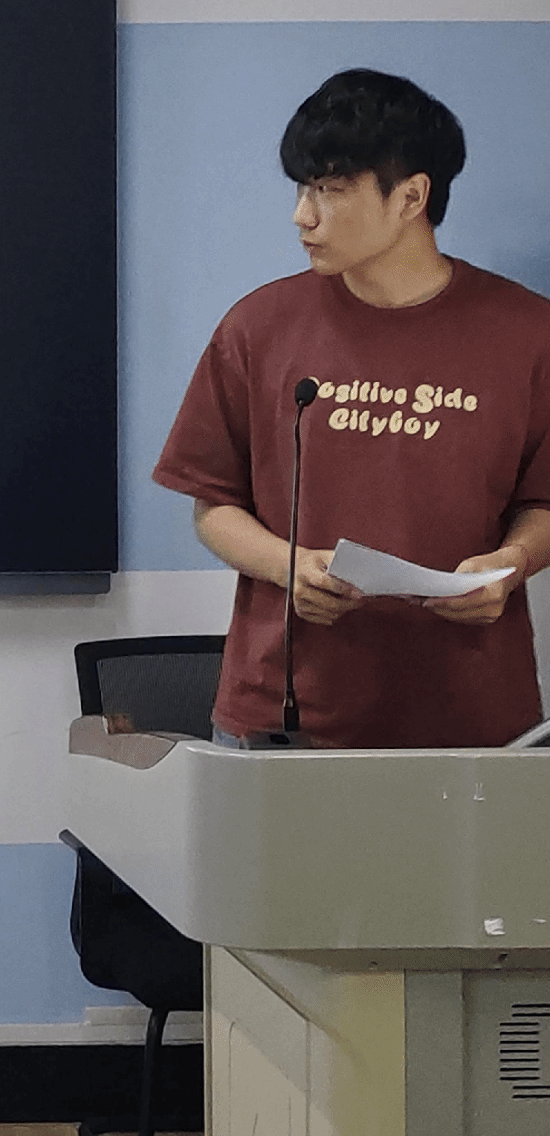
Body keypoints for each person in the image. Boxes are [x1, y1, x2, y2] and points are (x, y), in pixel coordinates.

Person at [153, 68, 550, 748]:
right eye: (302, 189)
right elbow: (212, 504)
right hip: (284, 716)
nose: (302, 215)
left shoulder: (527, 333)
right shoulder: (258, 326)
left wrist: (513, 562)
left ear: (411, 197)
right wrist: (287, 565)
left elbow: (544, 501)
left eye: (330, 191)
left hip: (470, 717)